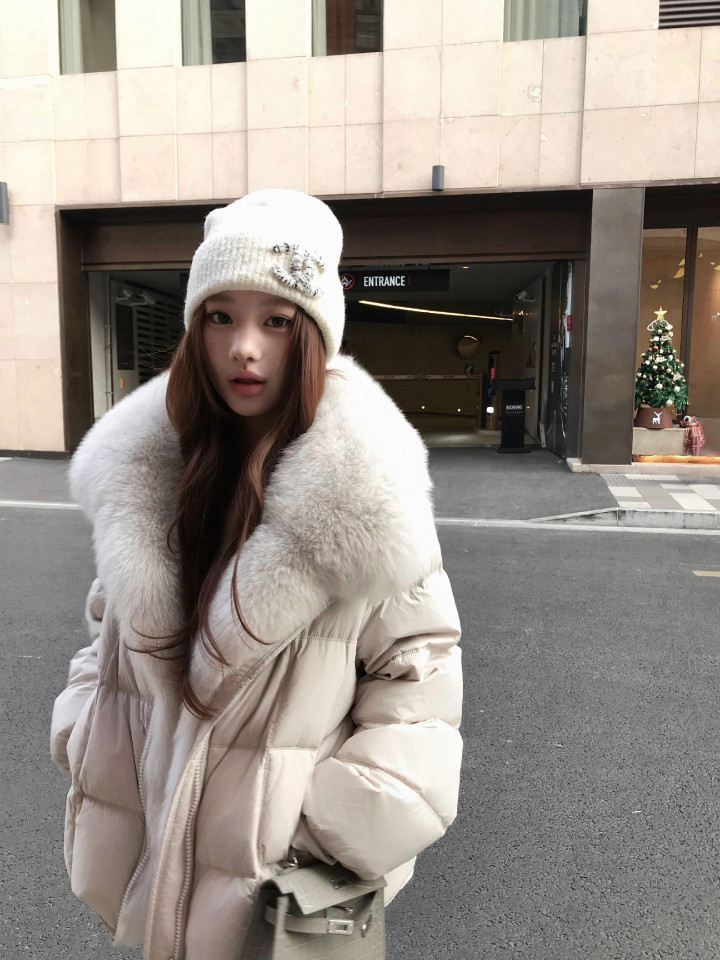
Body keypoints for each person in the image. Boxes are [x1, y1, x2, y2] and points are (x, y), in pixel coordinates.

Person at [50, 189, 463, 959]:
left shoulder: (365, 502)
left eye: (276, 321)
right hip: (148, 871)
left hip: (273, 905)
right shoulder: (156, 477)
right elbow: (105, 632)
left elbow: (421, 711)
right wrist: (83, 733)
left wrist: (304, 834)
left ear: (313, 335)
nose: (244, 347)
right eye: (220, 316)